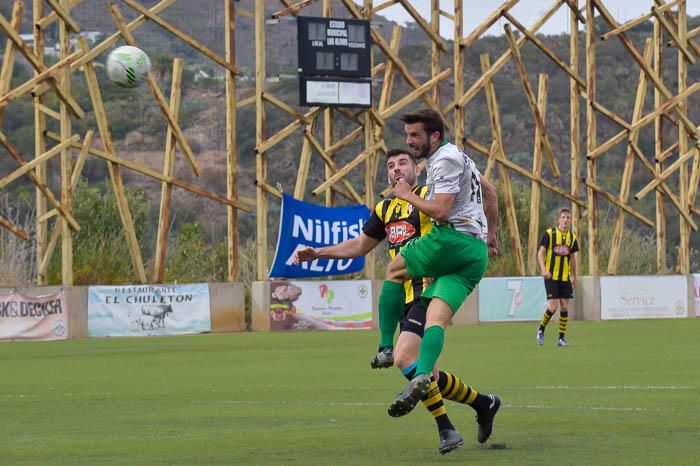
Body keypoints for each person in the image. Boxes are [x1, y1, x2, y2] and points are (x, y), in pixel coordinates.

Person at [293, 149, 479, 454]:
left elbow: (447, 231)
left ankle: (447, 429)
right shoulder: (384, 209)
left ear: (416, 170)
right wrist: (318, 252)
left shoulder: (427, 197)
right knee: (427, 373)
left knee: (405, 357)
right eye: (390, 166)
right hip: (401, 296)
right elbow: (358, 245)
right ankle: (483, 404)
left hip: (426, 290)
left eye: (403, 162)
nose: (396, 169)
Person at [377, 108, 501, 445]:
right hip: (473, 255)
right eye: (408, 136)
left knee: (393, 269)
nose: (410, 142)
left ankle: (385, 347)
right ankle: (468, 398)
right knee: (437, 316)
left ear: (434, 136)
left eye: (415, 136)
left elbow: (443, 211)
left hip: (451, 240)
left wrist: (406, 195)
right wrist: (489, 237)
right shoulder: (465, 160)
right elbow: (491, 194)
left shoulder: (443, 160)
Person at [536, 208, 579, 347]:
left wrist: (574, 276)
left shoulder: (572, 237)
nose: (566, 220)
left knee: (565, 307)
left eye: (568, 217)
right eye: (563, 217)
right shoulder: (550, 234)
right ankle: (541, 330)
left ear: (571, 220)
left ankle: (561, 339)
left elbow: (573, 259)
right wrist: (543, 269)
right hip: (551, 276)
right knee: (553, 307)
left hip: (565, 277)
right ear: (559, 219)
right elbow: (540, 253)